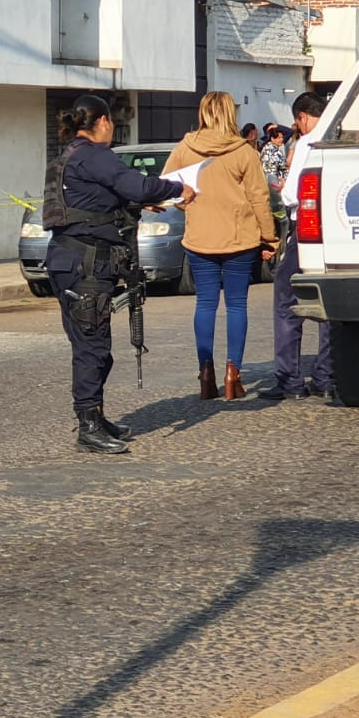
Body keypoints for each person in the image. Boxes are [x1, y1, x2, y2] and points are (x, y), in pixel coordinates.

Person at [45, 94, 191, 454]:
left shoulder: (67, 159)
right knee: (92, 347)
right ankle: (88, 426)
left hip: (70, 261)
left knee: (91, 346)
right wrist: (178, 189)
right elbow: (138, 184)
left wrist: (137, 203)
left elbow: (96, 200)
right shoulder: (94, 155)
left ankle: (95, 415)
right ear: (104, 122)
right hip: (86, 265)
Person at [166, 92, 278, 401]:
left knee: (205, 304)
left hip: (200, 237)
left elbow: (169, 188)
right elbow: (259, 197)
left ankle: (206, 374)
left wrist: (190, 207)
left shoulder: (185, 148)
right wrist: (269, 238)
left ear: (202, 112)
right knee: (237, 305)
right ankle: (233, 374)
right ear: (231, 113)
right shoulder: (244, 151)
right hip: (239, 238)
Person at [260, 92, 334, 401]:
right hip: (338, 231)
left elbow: (291, 194)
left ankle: (289, 379)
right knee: (331, 305)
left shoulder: (307, 142)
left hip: (306, 228)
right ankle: (327, 375)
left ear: (302, 117)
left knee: (287, 301)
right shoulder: (338, 133)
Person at [260, 125, 289, 197]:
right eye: (279, 138)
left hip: (271, 180)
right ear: (272, 138)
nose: (282, 139)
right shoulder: (272, 150)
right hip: (274, 181)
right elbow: (280, 167)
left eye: (282, 137)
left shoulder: (268, 148)